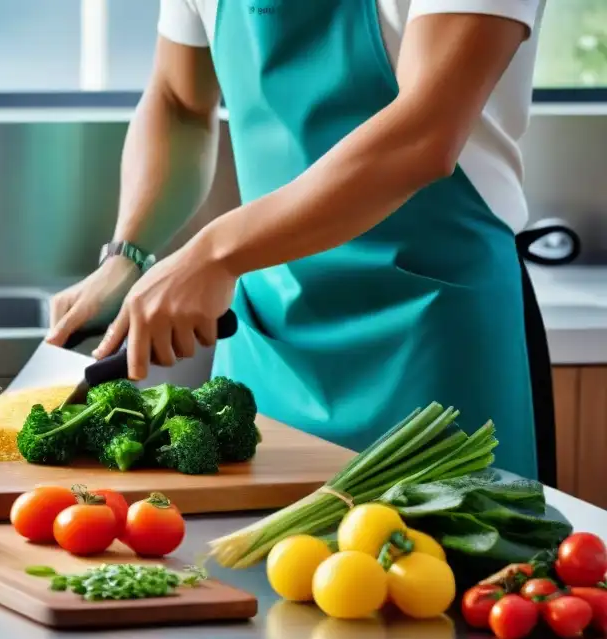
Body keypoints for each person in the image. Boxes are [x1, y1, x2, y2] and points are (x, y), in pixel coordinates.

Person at [45, 0, 555, 484]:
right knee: (245, 569)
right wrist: (127, 255)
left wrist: (214, 254)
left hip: (435, 340)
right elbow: (179, 102)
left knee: (451, 568)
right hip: (266, 340)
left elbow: (424, 131)